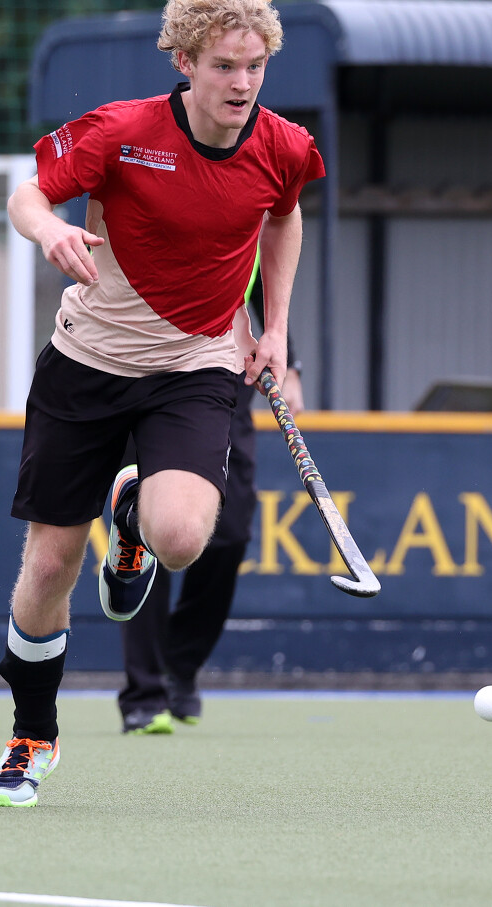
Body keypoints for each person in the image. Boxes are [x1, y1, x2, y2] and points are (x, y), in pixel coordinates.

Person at [0, 0, 323, 807]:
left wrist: (275, 327)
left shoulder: (282, 145)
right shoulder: (122, 132)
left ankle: (131, 515)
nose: (242, 83)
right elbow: (29, 193)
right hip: (87, 363)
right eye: (225, 66)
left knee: (181, 538)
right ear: (185, 62)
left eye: (256, 66)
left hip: (196, 368)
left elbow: (284, 215)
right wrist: (50, 227)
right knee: (51, 563)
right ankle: (31, 735)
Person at [116, 282, 304, 734]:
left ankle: (179, 665)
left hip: (220, 383)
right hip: (140, 376)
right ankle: (144, 693)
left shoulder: (248, 235)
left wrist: (289, 360)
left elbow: (261, 282)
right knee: (146, 537)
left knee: (231, 531)